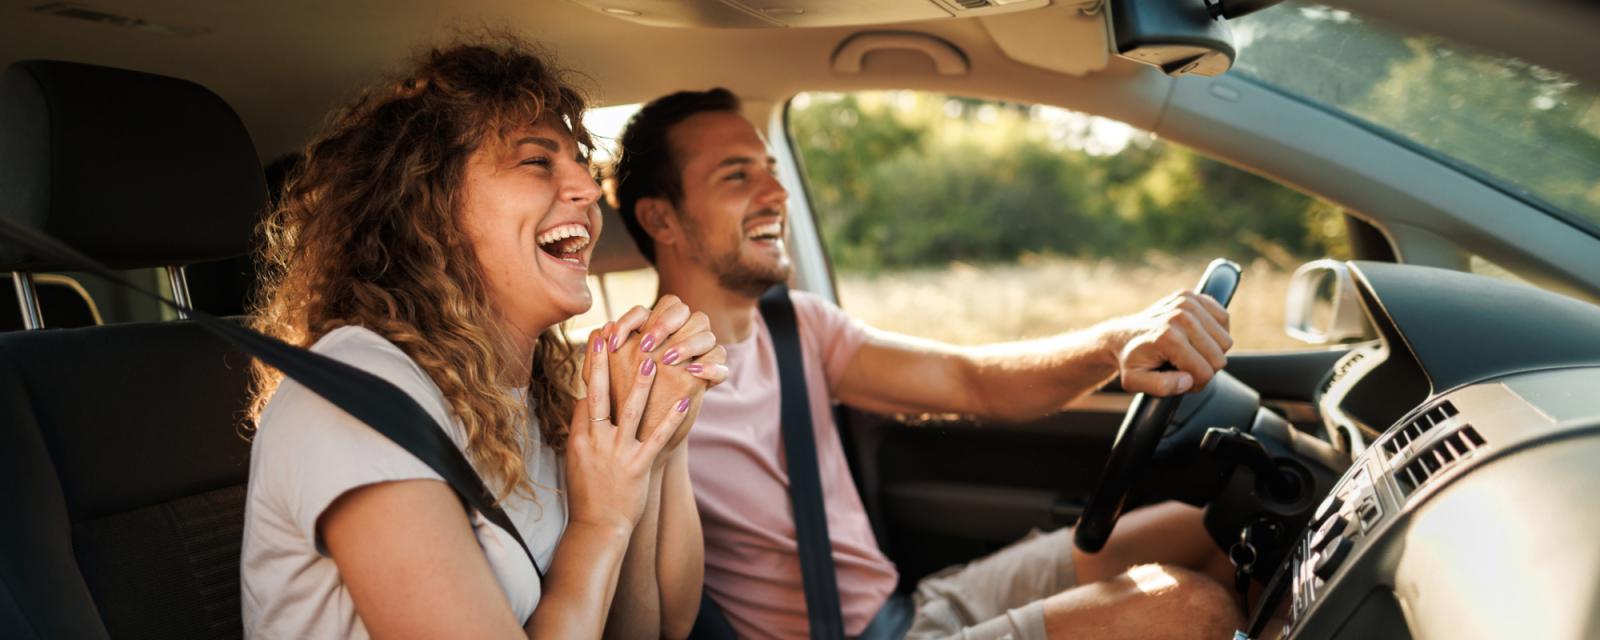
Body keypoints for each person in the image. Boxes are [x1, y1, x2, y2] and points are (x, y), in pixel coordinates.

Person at [606, 87, 1243, 640]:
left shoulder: (799, 324)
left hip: (912, 609)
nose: (776, 193)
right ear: (661, 218)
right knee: (1188, 612)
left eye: (771, 170)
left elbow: (970, 381)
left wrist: (1115, 342)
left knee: (1202, 531)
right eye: (737, 176)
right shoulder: (632, 384)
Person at [239, 40, 725, 639]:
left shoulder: (532, 391)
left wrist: (653, 433)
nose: (589, 189)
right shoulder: (359, 395)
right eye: (536, 162)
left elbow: (663, 626)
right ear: (432, 206)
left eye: (580, 162)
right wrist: (596, 525)